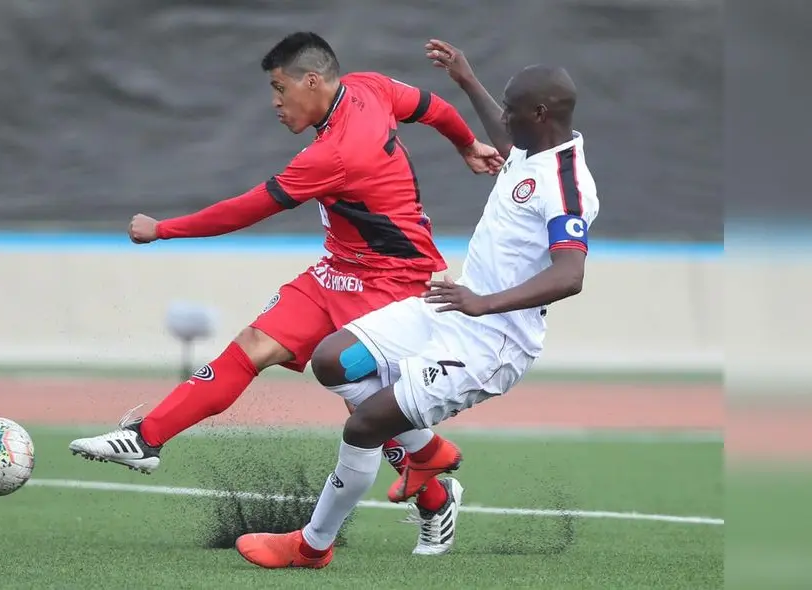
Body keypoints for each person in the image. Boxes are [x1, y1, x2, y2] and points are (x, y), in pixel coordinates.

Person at [67, 32, 504, 532]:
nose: (275, 103)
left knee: (365, 405)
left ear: (312, 81)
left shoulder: (334, 154)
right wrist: (467, 145)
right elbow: (431, 105)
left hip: (393, 284)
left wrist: (163, 230)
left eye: (280, 89)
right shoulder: (370, 87)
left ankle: (432, 497)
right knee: (254, 345)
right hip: (337, 271)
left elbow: (246, 209)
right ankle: (146, 439)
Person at [234, 39, 601, 569]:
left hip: (493, 343)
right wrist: (467, 79)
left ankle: (312, 546)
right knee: (333, 360)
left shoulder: (569, 186)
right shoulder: (533, 149)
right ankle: (426, 456)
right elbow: (506, 138)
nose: (502, 117)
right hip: (450, 310)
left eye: (511, 108)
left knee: (363, 427)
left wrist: (482, 303)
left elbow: (571, 275)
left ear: (539, 114)